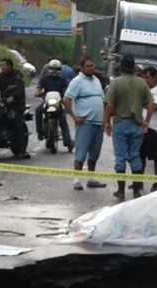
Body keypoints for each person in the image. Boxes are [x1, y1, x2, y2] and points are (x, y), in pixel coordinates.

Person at [102, 54, 153, 199]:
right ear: (133, 67)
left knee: (120, 157)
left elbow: (110, 105)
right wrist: (146, 121)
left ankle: (121, 190)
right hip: (137, 124)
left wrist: (106, 122)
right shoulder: (142, 83)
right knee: (135, 156)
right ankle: (136, 190)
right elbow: (150, 104)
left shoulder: (116, 83)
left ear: (121, 67)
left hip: (120, 123)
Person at [63, 56, 107, 190]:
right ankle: (76, 179)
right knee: (81, 152)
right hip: (85, 122)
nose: (91, 68)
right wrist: (75, 117)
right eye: (88, 66)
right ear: (82, 68)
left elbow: (103, 101)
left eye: (92, 66)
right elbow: (66, 100)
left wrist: (105, 120)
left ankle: (91, 178)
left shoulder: (97, 81)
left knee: (95, 153)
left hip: (98, 123)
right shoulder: (77, 81)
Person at [0, 57, 29, 159]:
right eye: (0, 65)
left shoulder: (16, 77)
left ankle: (21, 150)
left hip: (16, 105)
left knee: (17, 123)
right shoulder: (0, 77)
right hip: (3, 103)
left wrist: (13, 97)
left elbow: (19, 90)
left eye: (3, 65)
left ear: (9, 66)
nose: (1, 67)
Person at [33, 59, 71, 150]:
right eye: (52, 68)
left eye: (56, 69)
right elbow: (38, 88)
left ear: (60, 69)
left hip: (59, 102)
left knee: (62, 118)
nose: (54, 71)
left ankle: (68, 141)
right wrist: (38, 93)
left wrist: (67, 95)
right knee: (38, 111)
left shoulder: (63, 80)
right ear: (49, 69)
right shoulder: (44, 79)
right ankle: (40, 131)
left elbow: (67, 90)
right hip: (47, 101)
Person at [140, 65, 157, 192]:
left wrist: (142, 103)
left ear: (154, 78)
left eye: (148, 77)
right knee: (140, 157)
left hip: (154, 128)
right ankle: (138, 181)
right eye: (143, 77)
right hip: (141, 128)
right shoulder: (142, 89)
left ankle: (156, 182)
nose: (145, 80)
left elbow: (154, 106)